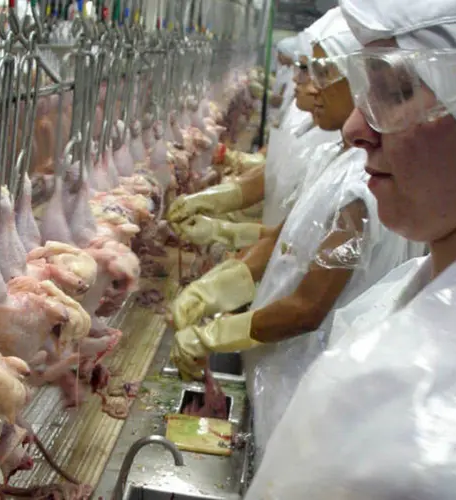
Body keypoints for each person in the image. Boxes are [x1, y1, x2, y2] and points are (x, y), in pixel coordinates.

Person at [245, 0, 456, 498]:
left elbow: (311, 301)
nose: (355, 129)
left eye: (395, 91)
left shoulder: (426, 428)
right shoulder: (427, 290)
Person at [168, 6, 421, 460]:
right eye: (306, 68)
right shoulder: (338, 159)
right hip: (274, 365)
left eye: (323, 71)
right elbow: (283, 243)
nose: (307, 83)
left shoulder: (362, 191)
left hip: (304, 381)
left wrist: (214, 334)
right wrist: (212, 291)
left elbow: (308, 307)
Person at [166, 11, 345, 249]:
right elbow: (279, 167)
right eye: (302, 69)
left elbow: (303, 248)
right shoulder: (310, 118)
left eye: (312, 72)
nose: (299, 80)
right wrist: (224, 194)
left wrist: (228, 231)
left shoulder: (337, 144)